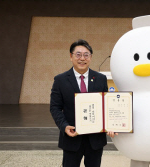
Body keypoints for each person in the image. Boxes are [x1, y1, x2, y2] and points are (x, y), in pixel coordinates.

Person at [50, 39, 117, 167]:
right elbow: (55, 107)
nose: (82, 58)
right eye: (78, 54)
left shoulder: (101, 79)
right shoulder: (60, 80)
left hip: (95, 139)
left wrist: (112, 124)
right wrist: (64, 126)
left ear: (90, 57)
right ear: (71, 56)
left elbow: (106, 105)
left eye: (86, 55)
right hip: (72, 137)